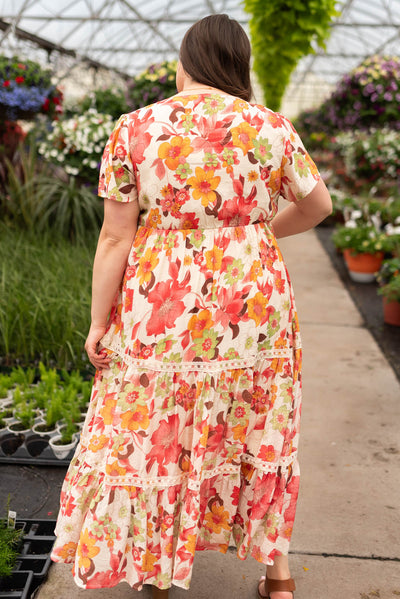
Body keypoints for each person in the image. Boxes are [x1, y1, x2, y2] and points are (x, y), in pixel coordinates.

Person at [51, 13, 332, 599]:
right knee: (259, 431)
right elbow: (317, 207)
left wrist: (100, 321)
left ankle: (157, 575)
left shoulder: (135, 127)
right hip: (255, 308)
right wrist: (258, 234)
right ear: (239, 66)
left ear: (187, 61)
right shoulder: (272, 128)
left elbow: (114, 238)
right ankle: (278, 578)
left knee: (160, 432)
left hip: (164, 307)